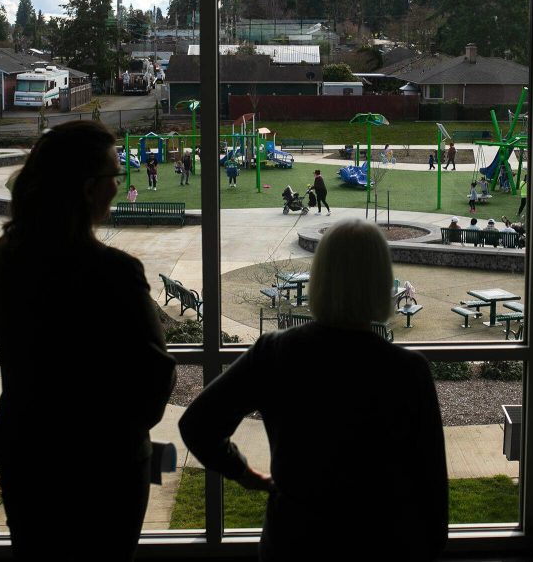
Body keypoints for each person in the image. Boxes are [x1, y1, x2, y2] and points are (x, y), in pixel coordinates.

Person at [179, 219, 448, 561]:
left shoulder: (274, 352)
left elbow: (197, 426)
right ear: (381, 283)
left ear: (320, 277)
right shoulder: (408, 371)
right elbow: (432, 490)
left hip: (294, 542)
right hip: (379, 544)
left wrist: (245, 474)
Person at [0, 121, 176, 561]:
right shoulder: (113, 271)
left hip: (28, 453)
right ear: (89, 189)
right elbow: (154, 375)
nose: (117, 185)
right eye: (114, 176)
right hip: (104, 466)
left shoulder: (2, 257)